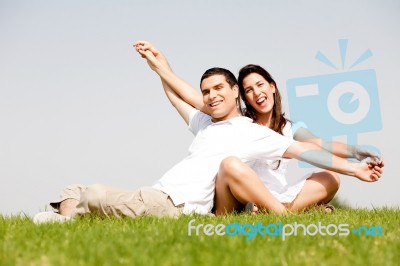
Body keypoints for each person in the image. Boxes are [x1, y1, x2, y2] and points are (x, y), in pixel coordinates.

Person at [33, 42, 382, 223]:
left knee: (93, 193)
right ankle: (66, 218)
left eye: (220, 89)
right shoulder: (207, 123)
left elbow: (310, 150)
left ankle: (280, 217)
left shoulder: (258, 132)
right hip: (168, 192)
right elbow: (179, 97)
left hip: (181, 204)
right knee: (75, 189)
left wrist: (354, 162)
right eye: (207, 92)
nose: (211, 96)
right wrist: (159, 66)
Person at [134, 41, 384, 215]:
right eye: (249, 90)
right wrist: (161, 66)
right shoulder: (239, 121)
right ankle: (269, 212)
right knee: (231, 166)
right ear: (241, 96)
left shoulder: (289, 128)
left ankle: (275, 212)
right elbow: (189, 95)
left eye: (260, 85)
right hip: (237, 192)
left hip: (276, 194)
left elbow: (318, 147)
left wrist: (355, 153)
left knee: (330, 178)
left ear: (272, 86)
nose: (257, 93)